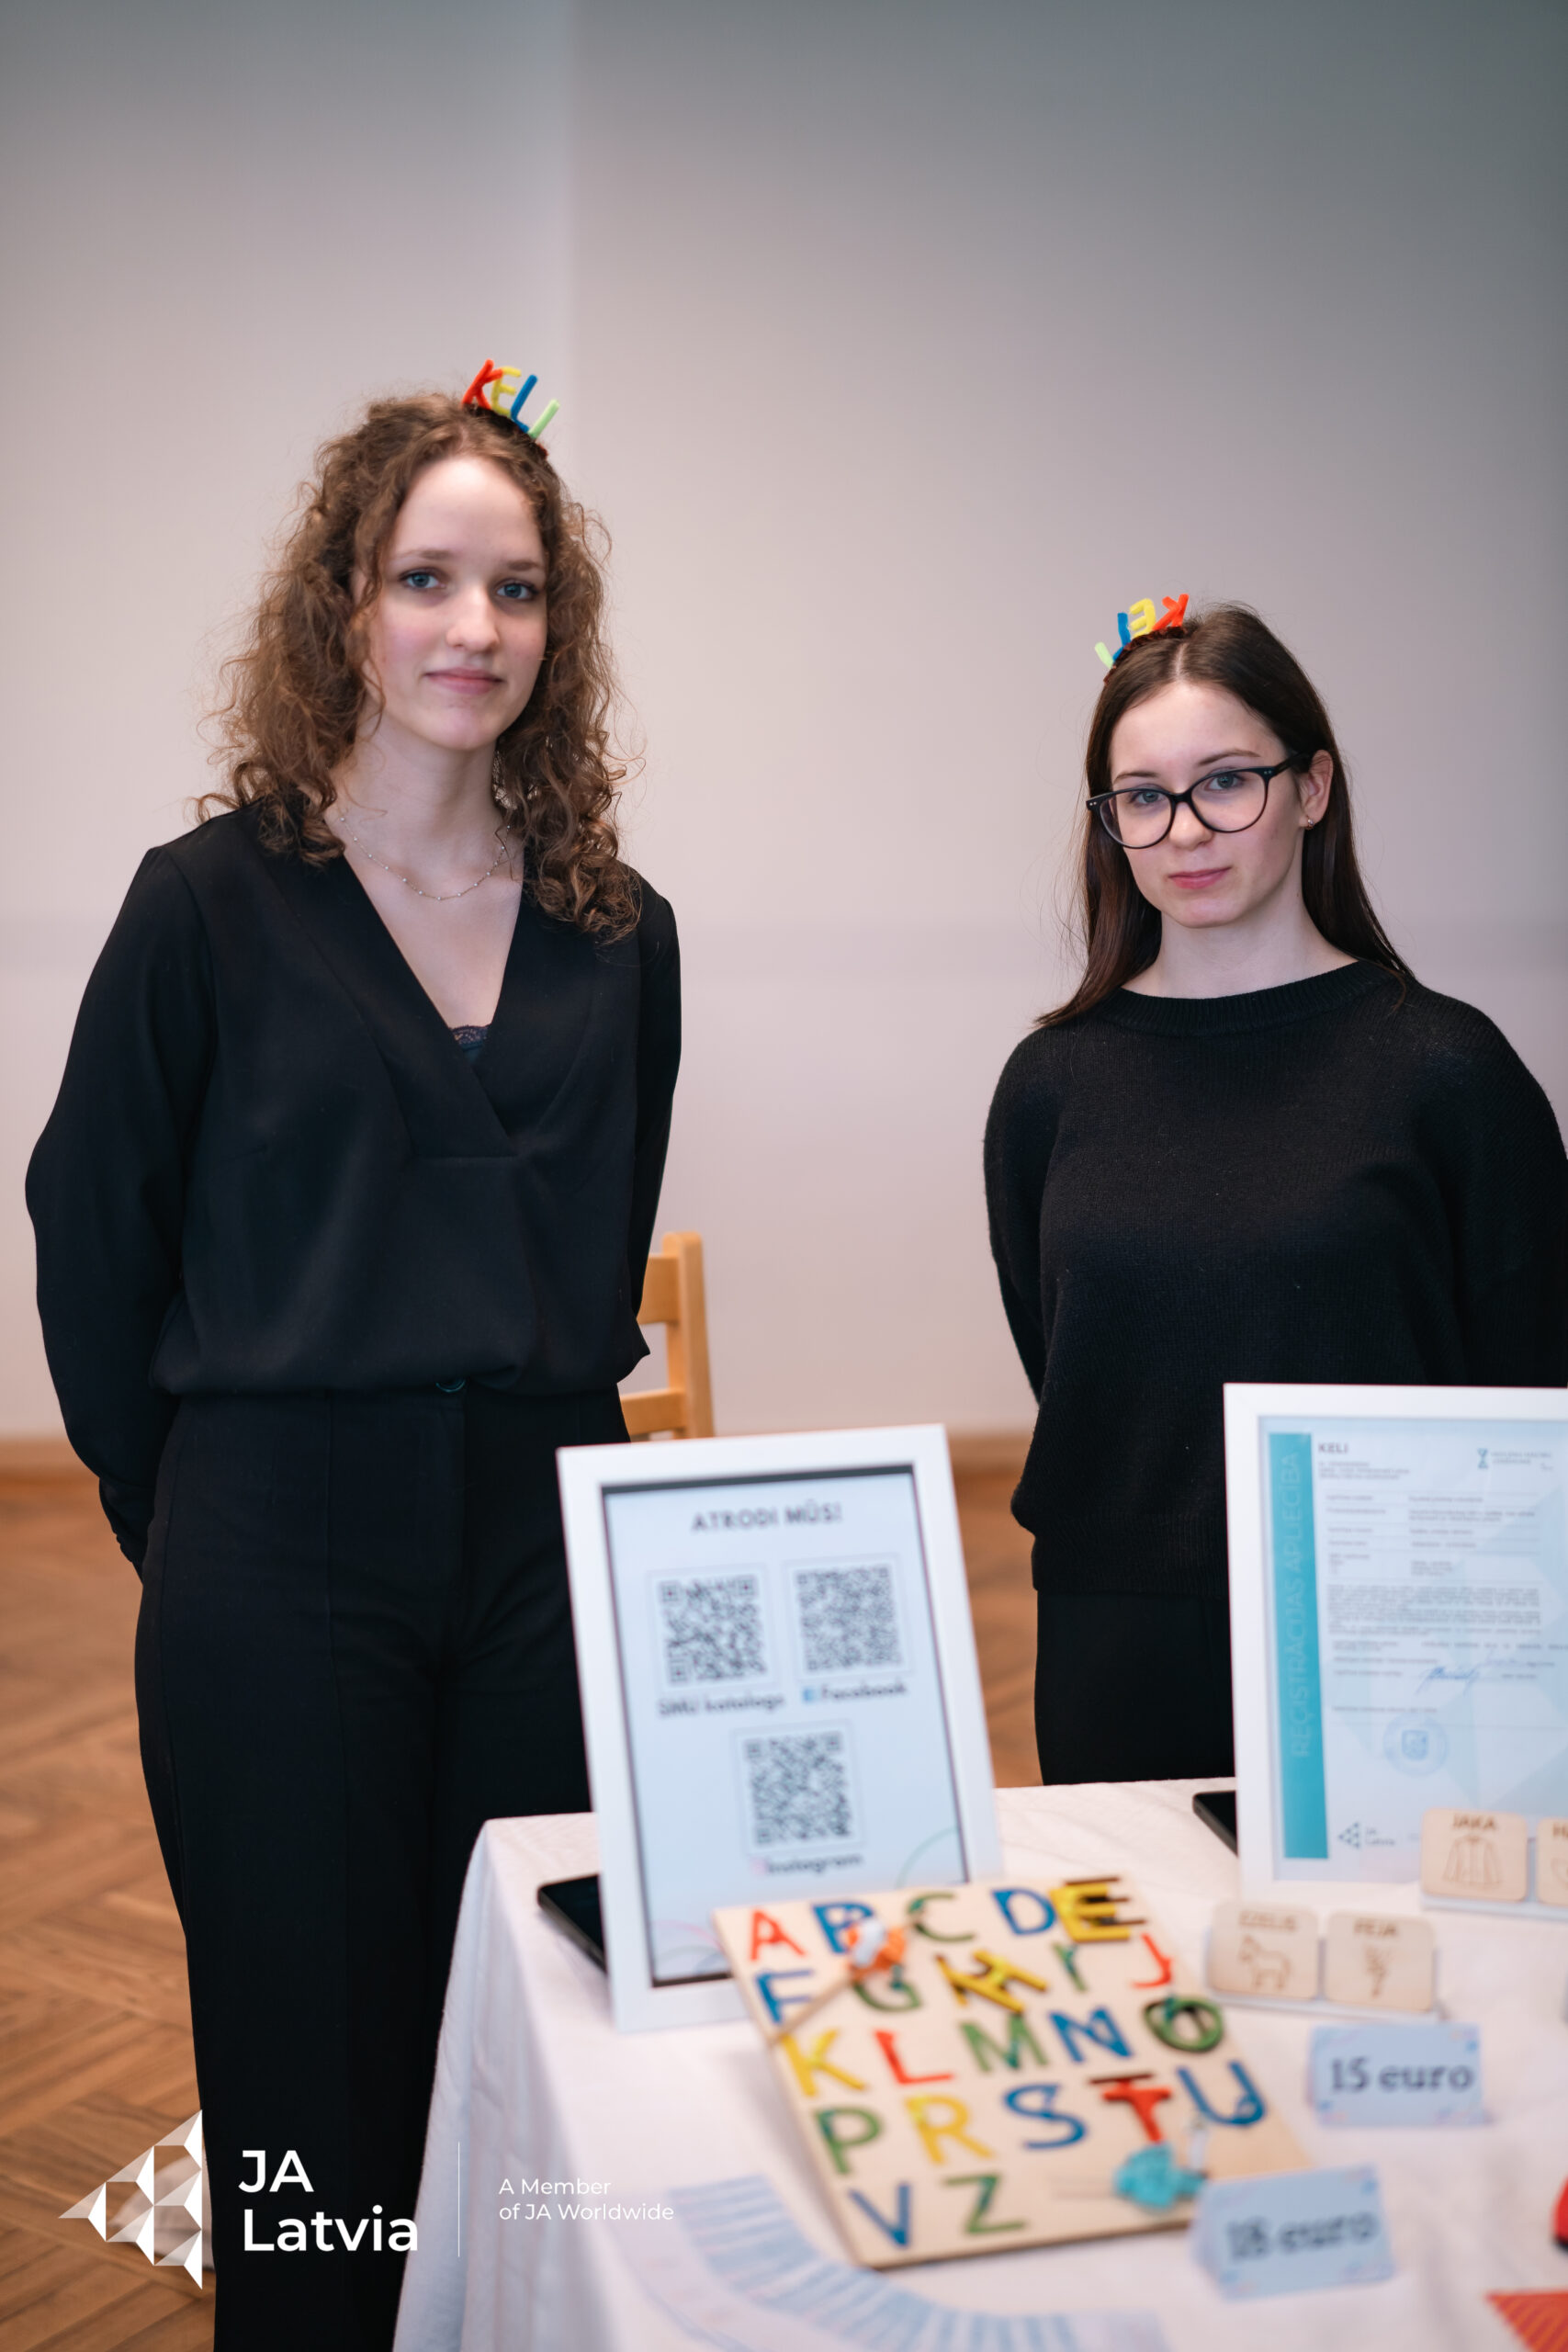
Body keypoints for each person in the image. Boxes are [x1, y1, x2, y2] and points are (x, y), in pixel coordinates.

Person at [27, 372, 680, 2350]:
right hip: (278, 1548)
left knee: (541, 2048)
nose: (473, 626)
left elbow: (594, 1239)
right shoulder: (207, 906)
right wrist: (184, 1511)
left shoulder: (622, 934)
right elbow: (91, 1226)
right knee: (312, 2101)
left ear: (558, 628)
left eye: (516, 588)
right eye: (425, 578)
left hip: (543, 1551)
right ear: (344, 605)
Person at [984, 603, 1566, 1787]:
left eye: (1226, 782)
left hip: (1400, 1634)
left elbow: (1535, 1382)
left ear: (1312, 788)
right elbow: (1063, 1352)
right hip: (1116, 1630)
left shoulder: (1447, 1068)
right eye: (1142, 797)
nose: (1186, 830)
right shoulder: (1051, 1082)